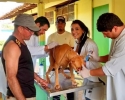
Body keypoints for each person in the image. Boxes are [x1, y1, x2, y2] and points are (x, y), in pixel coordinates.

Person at [1, 14, 57, 100]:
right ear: (20, 29)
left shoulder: (22, 43)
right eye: (30, 30)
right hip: (19, 96)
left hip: (27, 93)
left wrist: (38, 79)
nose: (32, 33)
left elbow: (25, 67)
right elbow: (11, 78)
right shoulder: (13, 46)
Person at [78, 13, 125, 100]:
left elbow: (109, 68)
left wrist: (88, 72)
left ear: (115, 28)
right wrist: (98, 58)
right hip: (115, 84)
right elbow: (113, 58)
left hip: (122, 86)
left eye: (105, 33)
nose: (104, 36)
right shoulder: (117, 37)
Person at [71, 20, 105, 100]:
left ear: (83, 30)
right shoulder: (77, 43)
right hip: (87, 77)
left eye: (77, 29)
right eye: (72, 29)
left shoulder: (90, 43)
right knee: (86, 97)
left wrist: (80, 62)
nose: (74, 31)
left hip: (96, 78)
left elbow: (87, 58)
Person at [25, 16, 59, 89]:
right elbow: (27, 51)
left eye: (45, 31)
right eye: (43, 29)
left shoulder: (35, 36)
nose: (43, 33)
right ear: (37, 24)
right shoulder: (27, 34)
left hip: (29, 72)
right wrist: (46, 47)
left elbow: (35, 54)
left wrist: (49, 52)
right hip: (21, 72)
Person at [47, 16, 75, 100]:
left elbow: (72, 50)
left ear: (65, 24)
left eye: (62, 23)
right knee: (56, 91)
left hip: (67, 68)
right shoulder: (51, 37)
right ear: (55, 24)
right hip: (55, 67)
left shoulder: (70, 36)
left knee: (70, 90)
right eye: (58, 23)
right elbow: (49, 51)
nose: (60, 25)